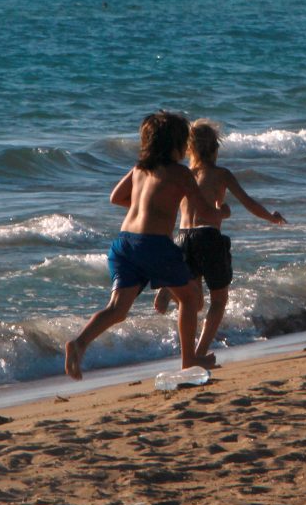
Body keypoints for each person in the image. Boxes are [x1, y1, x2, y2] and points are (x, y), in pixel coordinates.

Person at [64, 112, 230, 380]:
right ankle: (190, 359)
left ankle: (79, 343)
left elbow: (116, 198)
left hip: (123, 244)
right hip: (154, 245)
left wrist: (147, 207)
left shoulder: (139, 169)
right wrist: (222, 213)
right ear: (177, 145)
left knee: (117, 308)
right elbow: (204, 213)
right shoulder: (181, 173)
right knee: (190, 298)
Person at [154, 119, 287, 365]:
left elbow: (166, 210)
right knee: (218, 300)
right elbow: (247, 202)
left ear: (190, 150)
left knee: (193, 302)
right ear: (215, 149)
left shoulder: (183, 175)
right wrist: (270, 217)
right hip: (208, 238)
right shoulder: (220, 174)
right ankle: (200, 352)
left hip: (183, 237)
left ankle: (168, 289)